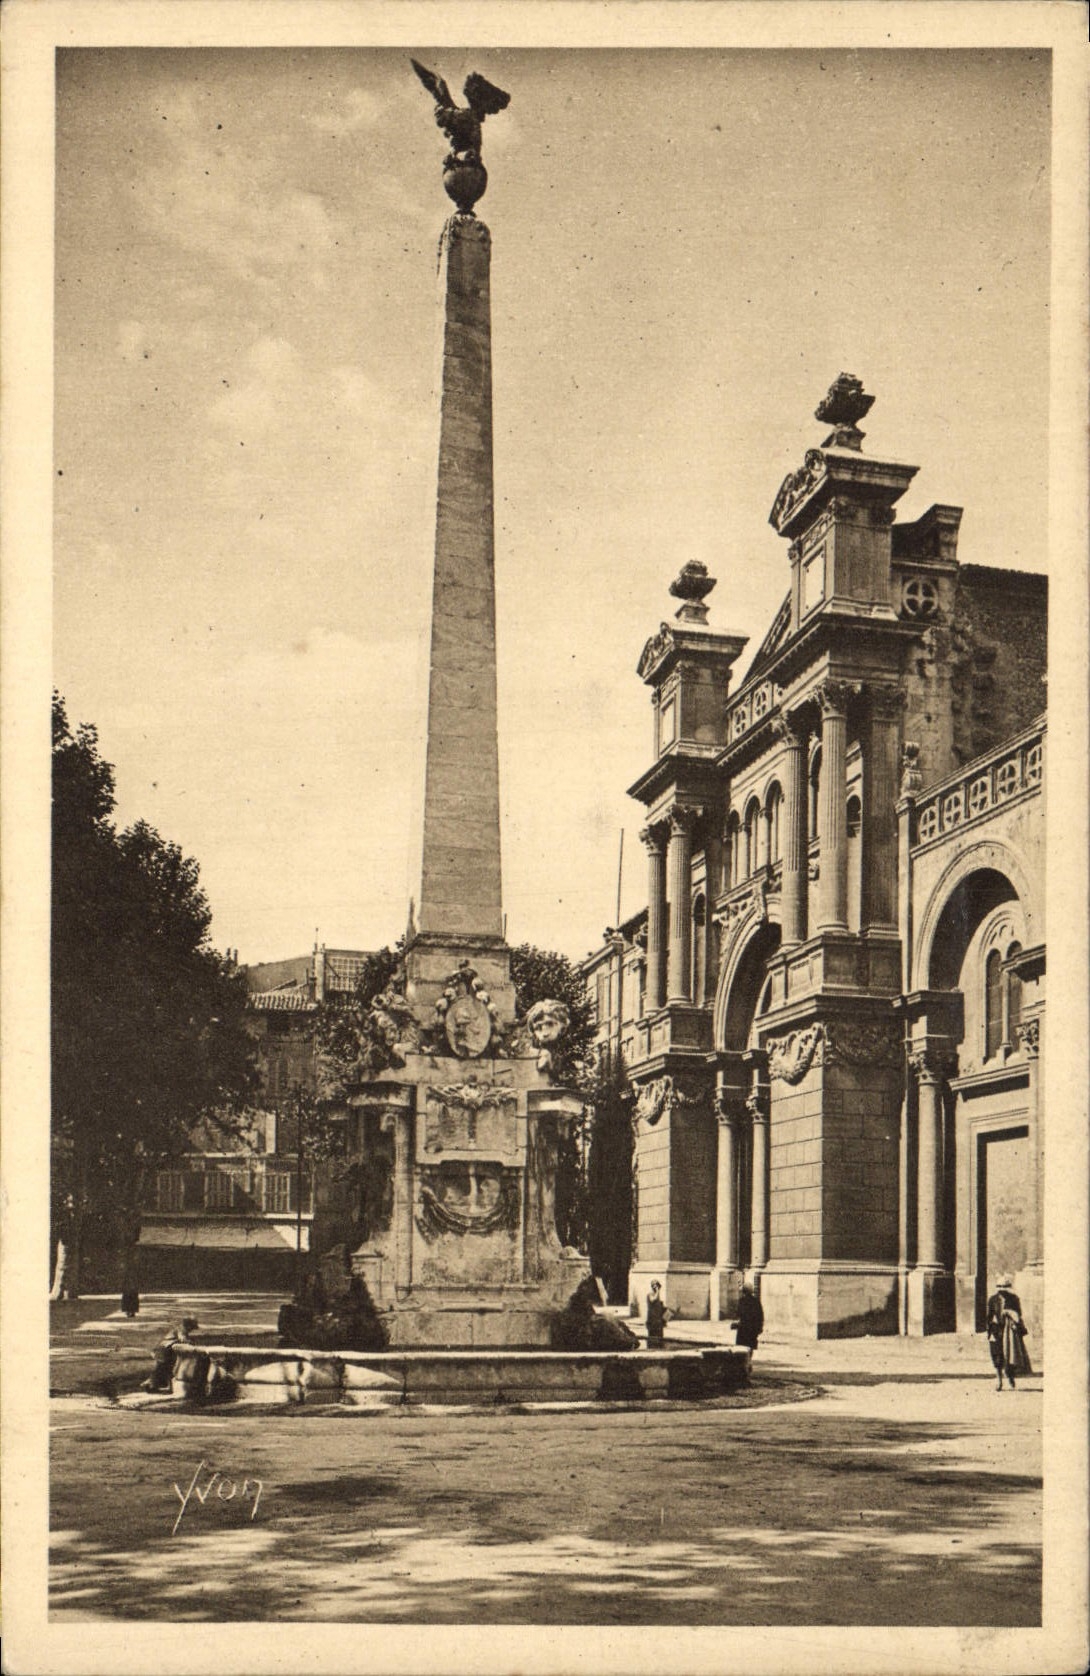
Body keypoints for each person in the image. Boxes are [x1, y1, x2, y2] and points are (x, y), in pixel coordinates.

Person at [986, 1277, 1031, 1390]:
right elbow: (989, 1316)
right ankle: (999, 1381)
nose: (1002, 1291)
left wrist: (1014, 1320)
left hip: (1009, 1332)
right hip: (996, 1330)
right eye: (1000, 1288)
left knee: (1010, 1355)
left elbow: (1018, 1315)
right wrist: (990, 1329)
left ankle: (1010, 1376)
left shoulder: (1014, 1299)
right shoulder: (992, 1300)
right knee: (996, 1355)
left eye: (1004, 1288)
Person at [141, 1315, 199, 1393]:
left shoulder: (180, 1329)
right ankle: (150, 1384)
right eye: (191, 1327)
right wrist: (191, 1343)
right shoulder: (181, 1330)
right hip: (164, 1351)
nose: (191, 1330)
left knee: (165, 1369)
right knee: (163, 1369)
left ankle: (154, 1384)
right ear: (188, 1325)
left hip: (166, 1351)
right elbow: (183, 1339)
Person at [735, 1281, 764, 1352]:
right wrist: (760, 1327)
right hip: (753, 1328)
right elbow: (760, 1316)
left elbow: (738, 1314)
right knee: (751, 1346)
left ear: (744, 1291)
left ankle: (745, 1361)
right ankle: (749, 1360)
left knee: (742, 1347)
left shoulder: (742, 1301)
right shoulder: (756, 1301)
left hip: (743, 1328)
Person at [645, 1280, 669, 1349]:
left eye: (658, 1286)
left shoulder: (657, 1295)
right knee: (652, 1333)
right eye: (655, 1286)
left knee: (659, 1334)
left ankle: (659, 1346)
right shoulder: (650, 1294)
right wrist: (658, 1291)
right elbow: (653, 1300)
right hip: (652, 1318)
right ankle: (651, 1347)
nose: (657, 1288)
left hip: (658, 1319)